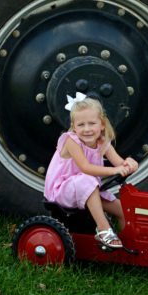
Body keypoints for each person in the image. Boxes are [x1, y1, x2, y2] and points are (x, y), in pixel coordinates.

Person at [44, 95, 139, 249]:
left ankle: (127, 243)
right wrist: (115, 170)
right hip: (62, 190)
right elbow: (85, 168)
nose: (87, 129)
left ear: (101, 124)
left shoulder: (102, 142)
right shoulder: (71, 141)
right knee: (87, 179)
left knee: (123, 210)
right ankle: (103, 229)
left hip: (89, 189)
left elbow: (119, 163)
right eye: (81, 125)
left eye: (92, 123)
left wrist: (129, 163)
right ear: (74, 127)